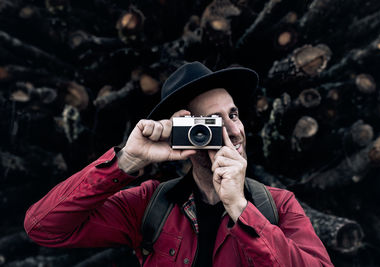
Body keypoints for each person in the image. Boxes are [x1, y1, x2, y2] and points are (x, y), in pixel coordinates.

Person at [24, 62, 334, 267]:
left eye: (234, 115)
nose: (234, 131)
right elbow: (43, 227)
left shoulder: (277, 205)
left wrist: (241, 208)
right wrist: (127, 160)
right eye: (212, 123)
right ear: (186, 135)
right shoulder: (150, 205)